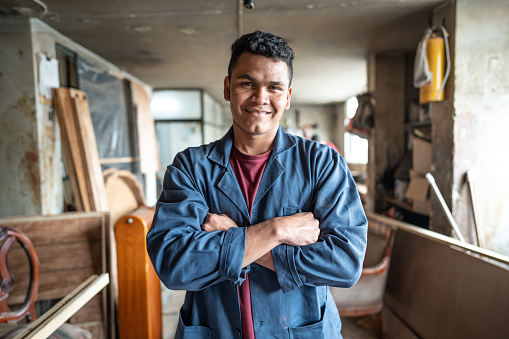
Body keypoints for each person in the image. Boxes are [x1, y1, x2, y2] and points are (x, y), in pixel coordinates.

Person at [147, 30, 367, 339]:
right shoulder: (190, 168)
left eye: (274, 87)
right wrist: (276, 231)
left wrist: (233, 237)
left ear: (287, 97)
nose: (260, 98)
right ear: (228, 88)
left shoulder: (322, 164)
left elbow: (344, 263)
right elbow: (175, 263)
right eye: (247, 83)